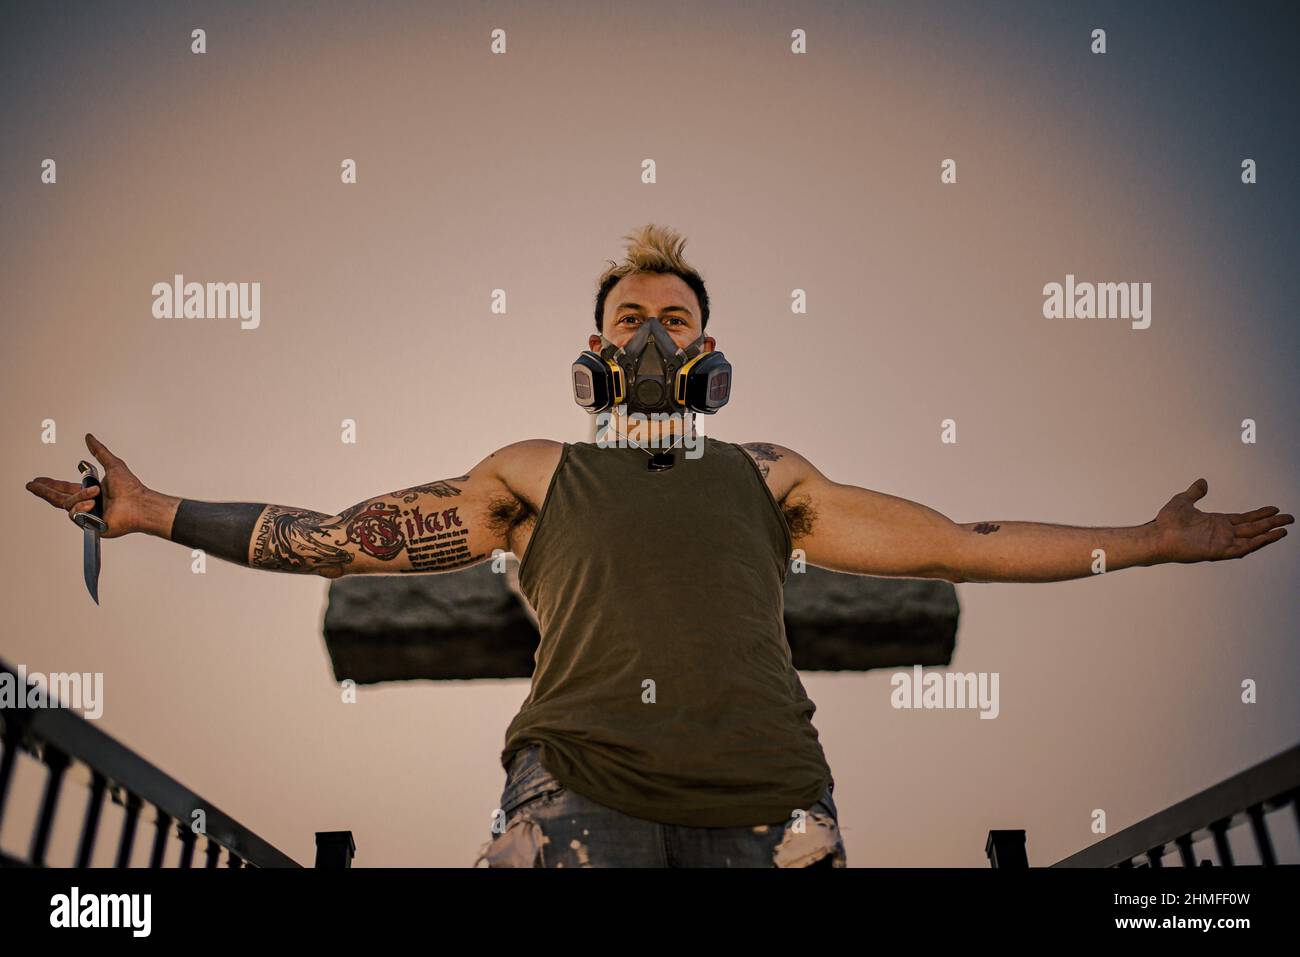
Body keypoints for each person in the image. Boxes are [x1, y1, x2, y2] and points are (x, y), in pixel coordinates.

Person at [25, 224, 1293, 868]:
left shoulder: (768, 474)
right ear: (590, 354)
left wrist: (1147, 541)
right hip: (576, 794)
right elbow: (345, 543)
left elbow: (959, 545)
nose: (648, 331)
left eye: (671, 317)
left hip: (776, 812)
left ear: (709, 354)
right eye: (629, 316)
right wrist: (152, 511)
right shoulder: (533, 470)